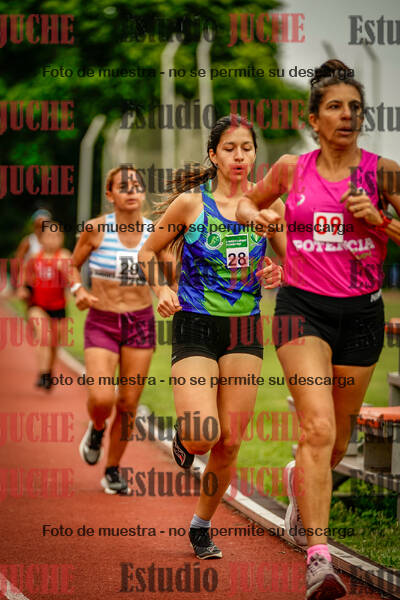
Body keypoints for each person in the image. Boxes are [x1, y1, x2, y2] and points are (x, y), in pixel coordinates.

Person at [236, 59, 400, 599]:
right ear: (313, 119)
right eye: (335, 106)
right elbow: (246, 203)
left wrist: (380, 221)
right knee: (318, 429)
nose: (347, 114)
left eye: (355, 107)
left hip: (362, 315)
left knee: (337, 441)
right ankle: (319, 559)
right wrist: (259, 218)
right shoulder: (291, 169)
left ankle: (297, 480)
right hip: (301, 310)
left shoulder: (384, 173)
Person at [138, 115, 286, 559]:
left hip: (244, 329)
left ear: (255, 154)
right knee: (204, 434)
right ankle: (185, 438)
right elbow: (148, 252)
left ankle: (201, 526)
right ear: (213, 155)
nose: (239, 156)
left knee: (231, 442)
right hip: (196, 324)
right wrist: (162, 289)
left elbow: (293, 263)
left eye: (247, 148)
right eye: (229, 148)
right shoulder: (191, 204)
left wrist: (277, 271)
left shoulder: (271, 209)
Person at [71, 166, 172, 495]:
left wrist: (168, 288)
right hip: (102, 322)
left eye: (137, 186)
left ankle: (112, 469)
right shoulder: (96, 229)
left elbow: (171, 274)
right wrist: (78, 289)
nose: (131, 191)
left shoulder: (154, 233)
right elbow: (73, 265)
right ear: (110, 194)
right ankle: (97, 426)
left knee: (128, 403)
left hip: (140, 323)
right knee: (102, 397)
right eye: (123, 186)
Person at [19, 225, 71, 390]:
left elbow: (73, 280)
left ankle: (49, 371)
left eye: (56, 236)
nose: (52, 240)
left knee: (54, 344)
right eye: (48, 236)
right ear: (41, 239)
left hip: (58, 307)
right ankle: (42, 373)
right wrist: (23, 289)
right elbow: (25, 276)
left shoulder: (64, 256)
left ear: (61, 239)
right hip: (38, 305)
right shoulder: (35, 257)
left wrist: (64, 270)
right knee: (44, 337)